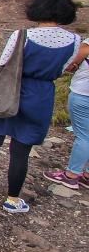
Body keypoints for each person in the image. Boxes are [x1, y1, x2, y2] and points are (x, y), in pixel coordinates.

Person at [0, 0, 80, 213]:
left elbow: (3, 63)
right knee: (21, 150)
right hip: (40, 94)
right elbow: (63, 69)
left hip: (9, 89)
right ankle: (12, 199)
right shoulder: (75, 40)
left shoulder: (23, 35)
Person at [43, 37, 89, 190]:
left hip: (84, 93)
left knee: (83, 135)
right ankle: (87, 175)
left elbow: (72, 62)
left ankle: (71, 175)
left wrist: (73, 65)